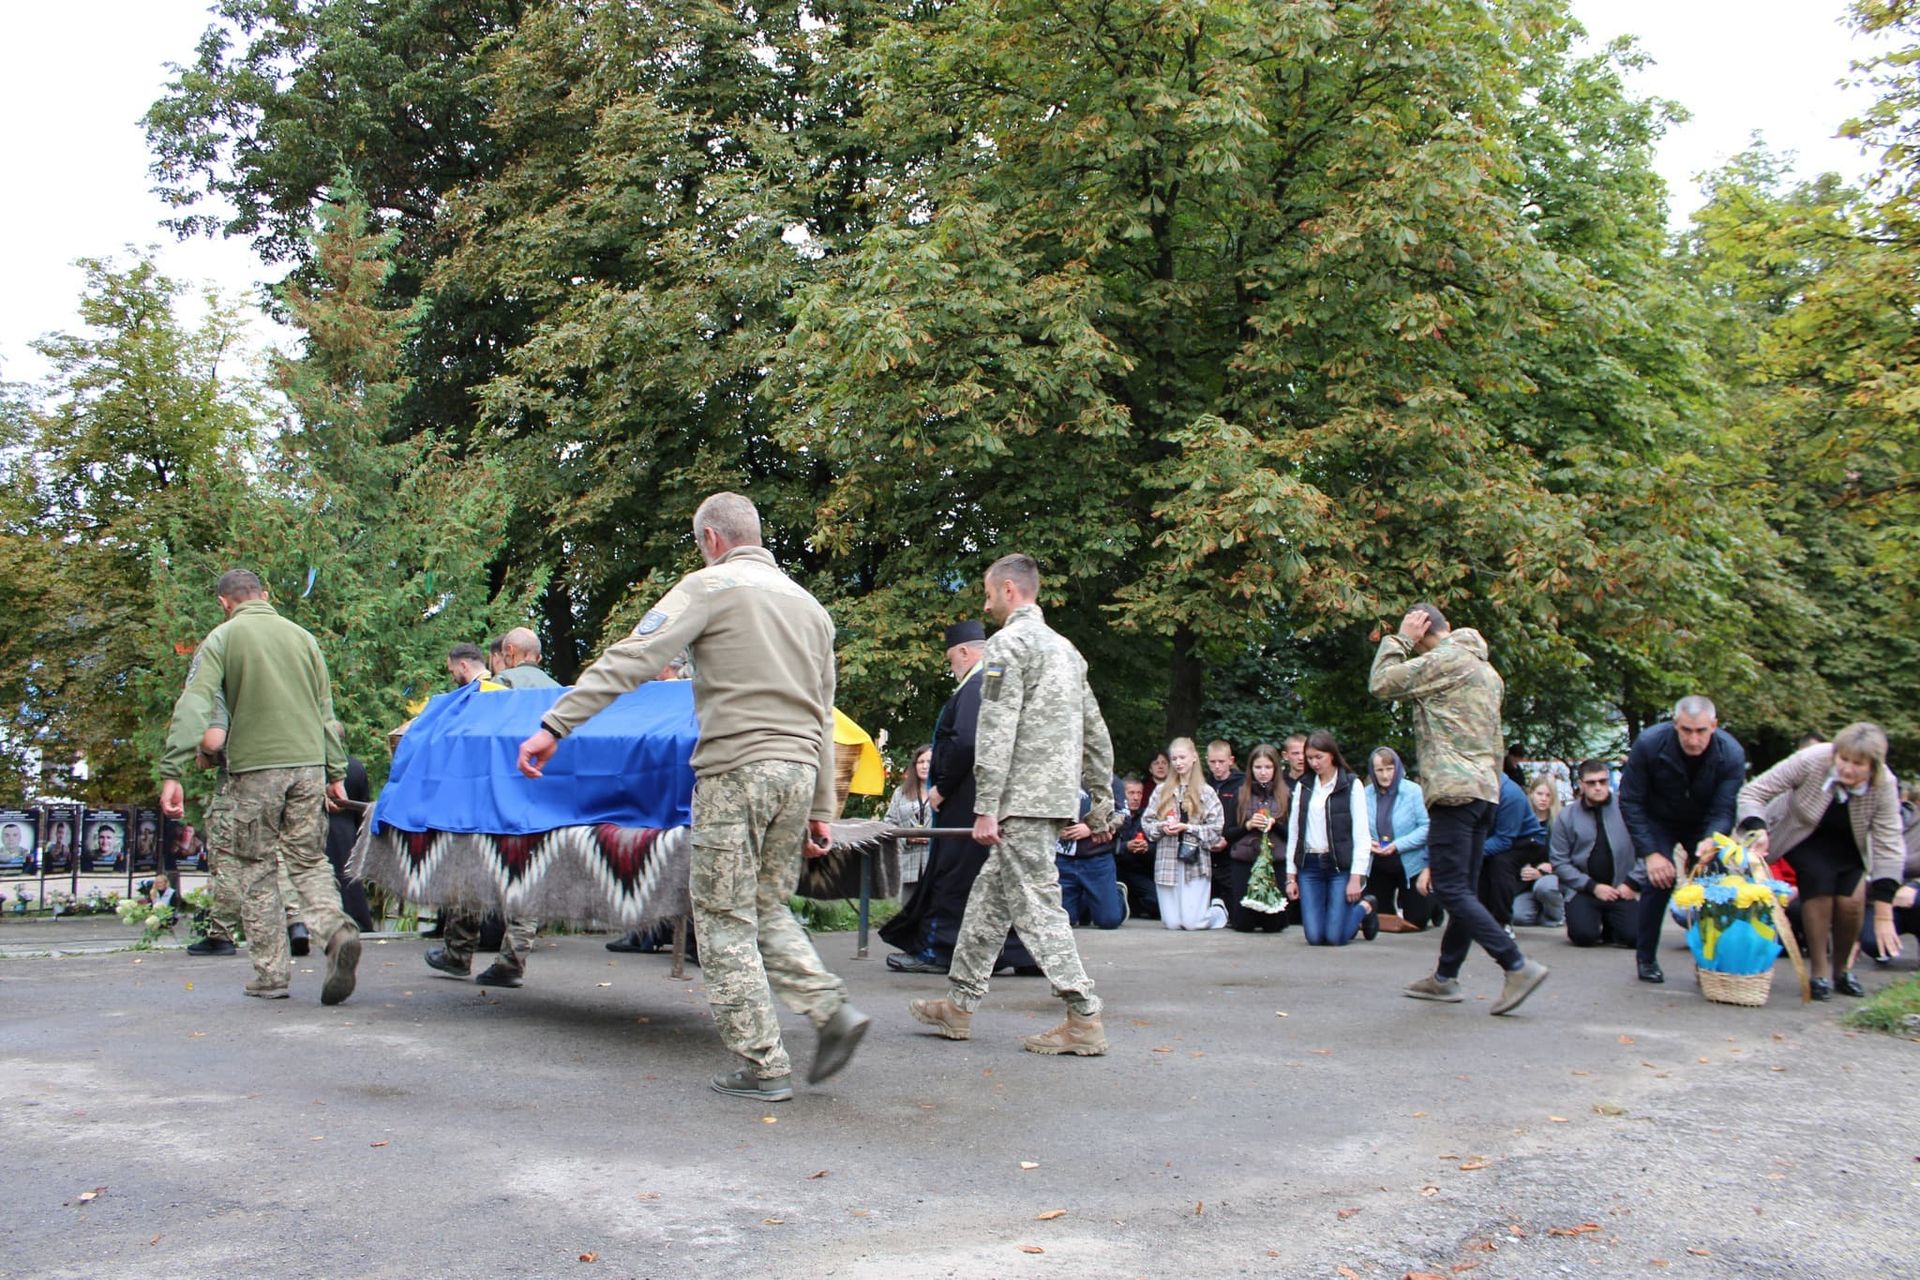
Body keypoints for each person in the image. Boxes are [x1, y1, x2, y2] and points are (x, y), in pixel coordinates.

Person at [517, 492, 869, 1101]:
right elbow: (823, 712)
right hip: (794, 773)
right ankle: (828, 1007)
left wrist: (555, 724)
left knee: (722, 918)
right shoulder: (812, 610)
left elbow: (635, 657)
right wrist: (821, 808)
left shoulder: (710, 586)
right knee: (765, 908)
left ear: (710, 539)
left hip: (736, 771)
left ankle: (763, 1064)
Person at [907, 553, 1118, 1056]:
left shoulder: (1008, 644)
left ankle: (1083, 1015)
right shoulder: (1067, 651)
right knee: (988, 902)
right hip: (1052, 797)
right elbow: (1096, 731)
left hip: (1020, 800)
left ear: (1007, 590)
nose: (985, 603)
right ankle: (958, 1005)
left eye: (986, 592)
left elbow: (995, 730)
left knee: (1039, 906)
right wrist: (1102, 800)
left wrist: (985, 806)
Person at [159, 568, 361, 1005]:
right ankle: (337, 931)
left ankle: (272, 976)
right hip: (308, 767)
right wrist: (336, 771)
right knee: (307, 861)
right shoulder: (303, 638)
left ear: (224, 602)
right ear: (265, 595)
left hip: (254, 771)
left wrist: (172, 770)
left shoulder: (221, 639)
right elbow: (326, 711)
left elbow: (197, 705)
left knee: (256, 870)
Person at [1370, 602, 1548, 1015]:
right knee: (1462, 889)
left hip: (1454, 792)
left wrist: (1401, 638)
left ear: (1423, 626)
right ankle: (1445, 978)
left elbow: (1381, 683)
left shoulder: (1443, 660)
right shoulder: (1486, 670)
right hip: (1486, 792)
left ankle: (1516, 964)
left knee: (1450, 888)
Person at [881, 621, 1036, 976]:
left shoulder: (977, 684)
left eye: (951, 659)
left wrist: (943, 787)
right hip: (987, 797)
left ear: (965, 652)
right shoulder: (996, 682)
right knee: (992, 879)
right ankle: (1022, 953)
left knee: (953, 876)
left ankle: (938, 950)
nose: (951, 666)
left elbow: (967, 741)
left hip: (964, 800)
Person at [1737, 724, 1907, 999]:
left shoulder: (1885, 784)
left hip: (1850, 843)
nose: (1847, 769)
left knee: (1851, 903)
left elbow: (1890, 843)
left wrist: (1885, 911)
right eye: (1843, 759)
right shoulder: (1812, 759)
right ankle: (1818, 972)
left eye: (1858, 764)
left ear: (1873, 767)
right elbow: (1754, 791)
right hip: (1801, 834)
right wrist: (1757, 828)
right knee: (1819, 881)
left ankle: (1842, 972)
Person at [1617, 695, 1746, 984]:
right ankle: (1646, 957)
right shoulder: (1650, 743)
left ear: (1714, 725)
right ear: (1675, 724)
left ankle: (1712, 958)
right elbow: (1630, 800)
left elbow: (1725, 808)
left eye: (1700, 731)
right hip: (1658, 817)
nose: (1693, 739)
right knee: (1659, 878)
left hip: (1704, 820)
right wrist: (1650, 853)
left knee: (1714, 880)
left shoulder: (1731, 753)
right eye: (1686, 730)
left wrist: (1711, 840)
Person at [1284, 731, 1377, 945]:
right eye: (1310, 758)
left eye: (1319, 757)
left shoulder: (1351, 785)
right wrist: (1291, 876)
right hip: (1310, 864)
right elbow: (1295, 832)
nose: (1314, 763)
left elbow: (1362, 835)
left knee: (1335, 937)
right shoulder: (1304, 786)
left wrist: (1356, 878)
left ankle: (1365, 907)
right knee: (1315, 937)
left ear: (1332, 755)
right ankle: (1342, 917)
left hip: (1339, 866)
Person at [1549, 759, 1642, 948]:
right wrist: (1592, 887)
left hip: (1621, 888)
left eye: (1603, 782)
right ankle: (1590, 919)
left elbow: (1646, 850)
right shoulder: (1566, 816)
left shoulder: (1627, 808)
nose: (1598, 787)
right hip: (1584, 889)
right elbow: (1559, 862)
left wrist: (1632, 883)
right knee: (1583, 936)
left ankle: (1612, 924)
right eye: (1592, 783)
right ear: (1581, 785)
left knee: (1635, 937)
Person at [1142, 738, 1227, 930]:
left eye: (1182, 757)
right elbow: (1147, 824)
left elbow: (1216, 829)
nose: (1178, 762)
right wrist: (1163, 827)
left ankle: (1218, 910)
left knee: (1192, 923)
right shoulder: (1161, 791)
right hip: (1167, 861)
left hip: (1195, 861)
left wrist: (1188, 828)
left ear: (1194, 757)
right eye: (1174, 758)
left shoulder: (1206, 792)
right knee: (1172, 924)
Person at [1364, 747, 1434, 932]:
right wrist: (1367, 841)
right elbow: (1356, 827)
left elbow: (1427, 827)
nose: (1385, 775)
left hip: (1409, 862)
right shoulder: (1365, 794)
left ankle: (1435, 904)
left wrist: (1398, 845)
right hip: (1378, 861)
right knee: (1380, 919)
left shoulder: (1413, 792)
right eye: (1379, 770)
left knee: (1417, 921)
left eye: (1389, 769)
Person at [1224, 743, 1288, 933]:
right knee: (1243, 925)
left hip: (1275, 861)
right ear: (1251, 769)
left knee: (1274, 925)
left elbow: (1294, 835)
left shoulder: (1286, 795)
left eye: (1268, 767)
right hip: (1245, 860)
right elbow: (1228, 833)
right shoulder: (1240, 794)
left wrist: (1274, 823)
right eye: (1258, 767)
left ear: (1275, 769)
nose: (1263, 772)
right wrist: (1248, 825)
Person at [1056, 778, 1129, 929]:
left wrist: (1093, 828)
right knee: (1064, 921)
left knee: (1108, 921)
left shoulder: (1110, 779)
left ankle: (1117, 894)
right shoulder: (1057, 770)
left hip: (1096, 857)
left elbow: (1124, 816)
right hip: (1063, 858)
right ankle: (1085, 902)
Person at [1481, 773, 1548, 928]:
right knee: (1482, 863)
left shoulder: (1511, 794)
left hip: (1527, 840)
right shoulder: (1475, 791)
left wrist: (1471, 851)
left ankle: (1502, 922)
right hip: (1499, 838)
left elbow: (1503, 840)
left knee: (1500, 863)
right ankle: (1481, 918)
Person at [1511, 771, 1565, 927]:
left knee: (1545, 887)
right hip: (1524, 881)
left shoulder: (1558, 823)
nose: (1543, 799)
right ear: (1531, 794)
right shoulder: (1520, 821)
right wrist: (1520, 866)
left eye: (1548, 795)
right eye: (1539, 793)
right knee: (1518, 917)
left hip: (1549, 877)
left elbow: (1566, 856)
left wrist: (1546, 869)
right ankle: (1540, 912)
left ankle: (1557, 915)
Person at [885, 744, 935, 895]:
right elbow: (888, 823)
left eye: (929, 762)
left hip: (935, 864)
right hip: (908, 866)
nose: (925, 766)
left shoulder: (945, 792)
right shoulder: (901, 792)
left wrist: (932, 838)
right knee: (909, 914)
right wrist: (907, 838)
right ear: (915, 765)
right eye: (921, 762)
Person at [1112, 776, 1160, 921]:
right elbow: (1103, 846)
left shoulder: (1148, 816)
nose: (1136, 797)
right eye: (1131, 793)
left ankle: (1135, 906)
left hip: (1140, 871)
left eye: (1139, 793)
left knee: (1158, 903)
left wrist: (1147, 847)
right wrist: (1126, 846)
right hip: (1116, 870)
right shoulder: (1113, 815)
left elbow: (1158, 845)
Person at [1205, 740, 1243, 890]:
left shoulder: (1242, 784)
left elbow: (1244, 818)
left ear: (1230, 761)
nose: (1217, 766)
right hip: (1208, 849)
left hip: (1233, 848)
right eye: (1213, 762)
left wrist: (1228, 839)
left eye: (1221, 761)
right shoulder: (1204, 784)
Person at [494, 627, 560, 689]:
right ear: (539, 658)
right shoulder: (559, 688)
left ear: (510, 650)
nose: (505, 664)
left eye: (504, 655)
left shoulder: (503, 680)